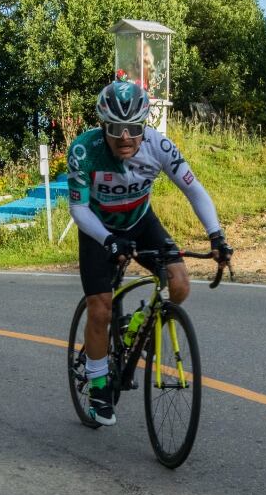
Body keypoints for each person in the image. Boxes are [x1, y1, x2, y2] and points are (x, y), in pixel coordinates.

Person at [66, 79, 231, 425]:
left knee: (180, 283)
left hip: (141, 221)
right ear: (102, 125)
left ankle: (138, 326)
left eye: (133, 128)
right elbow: (79, 211)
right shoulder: (84, 150)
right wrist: (109, 241)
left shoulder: (159, 146)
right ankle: (98, 388)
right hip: (98, 229)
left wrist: (216, 235)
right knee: (100, 309)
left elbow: (195, 191)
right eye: (115, 128)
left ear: (145, 125)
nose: (125, 137)